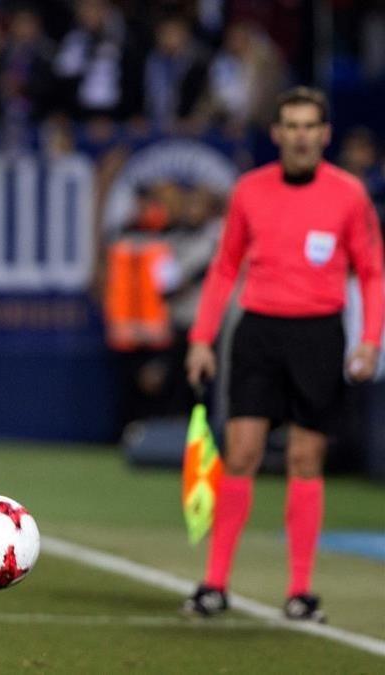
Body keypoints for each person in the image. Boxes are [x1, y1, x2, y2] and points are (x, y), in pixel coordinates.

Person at [183, 87, 384, 622]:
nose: (299, 135)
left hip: (319, 335)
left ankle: (300, 592)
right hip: (260, 333)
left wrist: (371, 341)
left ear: (325, 134)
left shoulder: (349, 195)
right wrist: (202, 339)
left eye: (308, 126)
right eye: (290, 126)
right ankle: (215, 583)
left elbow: (371, 271)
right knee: (242, 452)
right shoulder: (250, 191)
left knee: (305, 459)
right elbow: (226, 266)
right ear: (277, 133)